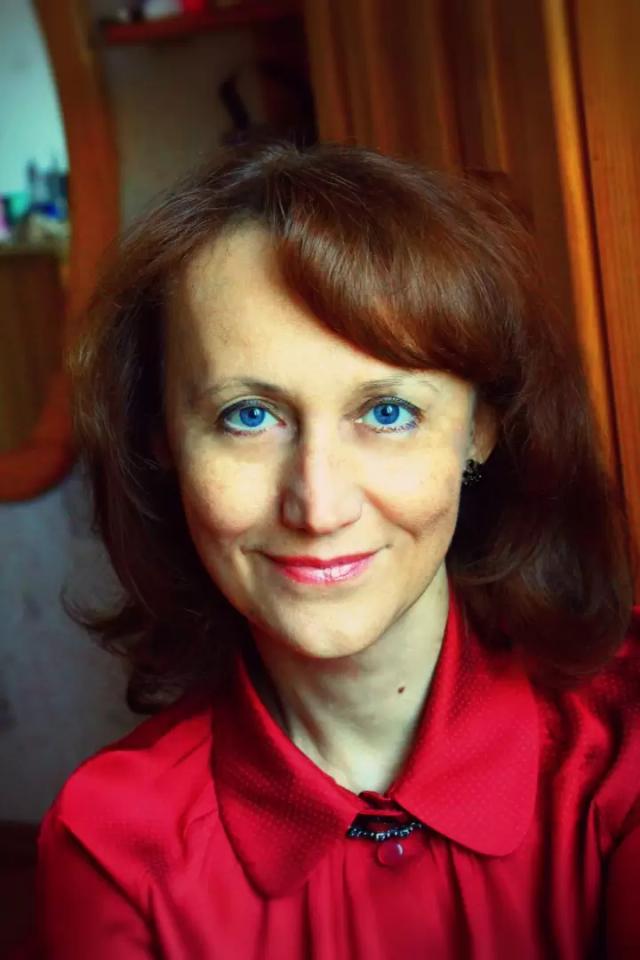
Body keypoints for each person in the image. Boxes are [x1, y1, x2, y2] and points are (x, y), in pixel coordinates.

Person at [34, 141, 639, 958]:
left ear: (481, 429)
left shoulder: (624, 744)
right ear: (162, 441)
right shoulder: (109, 845)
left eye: (387, 412)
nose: (318, 507)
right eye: (248, 416)